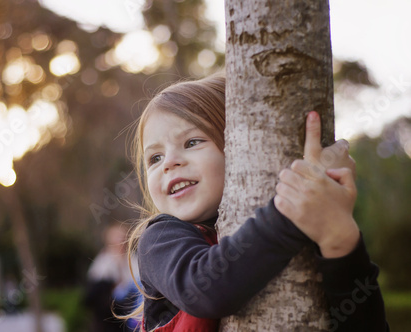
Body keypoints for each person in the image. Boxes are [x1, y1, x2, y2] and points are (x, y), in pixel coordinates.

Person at [124, 72, 388, 331]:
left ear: (240, 149)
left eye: (192, 142)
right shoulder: (160, 238)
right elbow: (205, 290)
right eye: (155, 158)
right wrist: (290, 210)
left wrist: (340, 242)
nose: (169, 162)